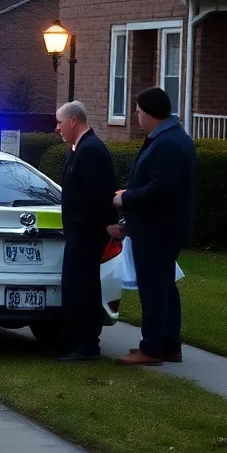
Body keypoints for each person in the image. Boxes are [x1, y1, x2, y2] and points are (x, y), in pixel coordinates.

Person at [114, 87, 197, 366]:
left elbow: (160, 189)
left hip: (157, 229)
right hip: (163, 227)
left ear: (149, 114)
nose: (136, 117)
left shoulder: (168, 143)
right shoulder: (170, 138)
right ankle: (169, 344)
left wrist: (126, 198)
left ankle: (152, 347)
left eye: (138, 112)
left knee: (153, 288)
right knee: (165, 286)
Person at [53, 101, 117, 361]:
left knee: (84, 288)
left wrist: (102, 225)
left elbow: (97, 195)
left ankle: (87, 343)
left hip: (87, 232)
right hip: (79, 231)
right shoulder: (78, 150)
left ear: (73, 121)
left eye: (59, 122)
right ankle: (73, 341)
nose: (57, 128)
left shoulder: (90, 151)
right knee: (76, 286)